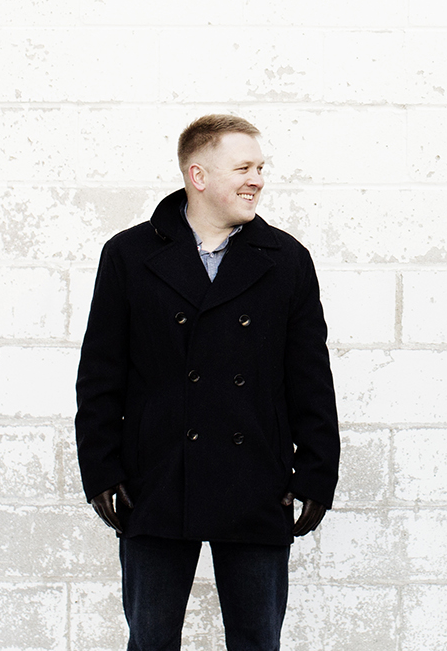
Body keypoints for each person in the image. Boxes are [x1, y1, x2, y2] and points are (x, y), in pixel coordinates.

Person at [75, 114, 339, 651]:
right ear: (198, 175)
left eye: (261, 168)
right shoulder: (129, 255)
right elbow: (101, 374)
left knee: (257, 641)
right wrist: (101, 467)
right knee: (150, 641)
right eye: (243, 167)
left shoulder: (286, 259)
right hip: (154, 478)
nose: (258, 180)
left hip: (257, 478)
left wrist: (316, 472)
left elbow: (310, 376)